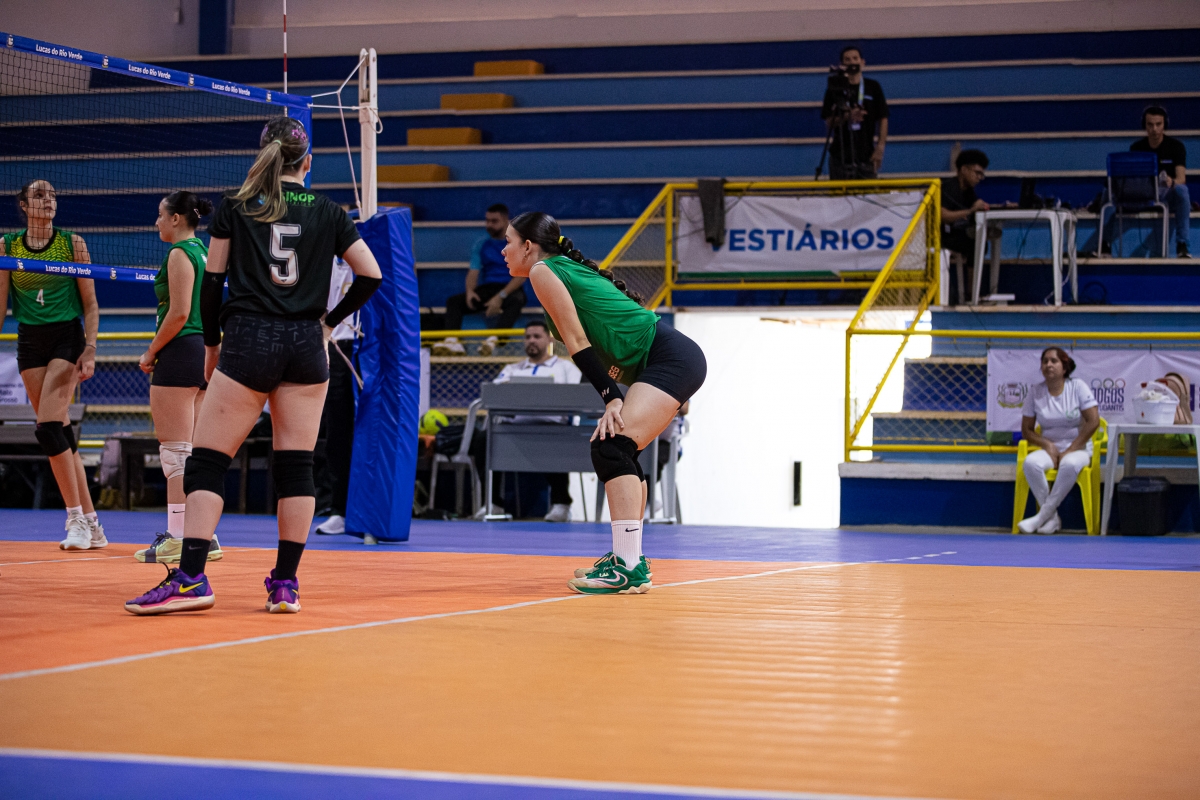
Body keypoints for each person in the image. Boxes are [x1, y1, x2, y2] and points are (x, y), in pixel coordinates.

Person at [124, 117, 382, 615]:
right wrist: (328, 325)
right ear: (308, 163)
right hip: (305, 345)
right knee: (296, 467)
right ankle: (285, 584)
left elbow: (212, 284)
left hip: (249, 340)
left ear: (263, 155)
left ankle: (191, 579)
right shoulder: (330, 211)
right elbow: (370, 275)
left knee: (207, 463)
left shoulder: (239, 205)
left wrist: (212, 346)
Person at [503, 212, 706, 594]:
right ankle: (629, 558)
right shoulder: (556, 270)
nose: (503, 250)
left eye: (508, 242)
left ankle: (627, 567)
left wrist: (612, 398)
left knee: (611, 447)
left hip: (670, 358)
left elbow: (577, 342)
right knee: (620, 450)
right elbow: (589, 343)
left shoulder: (543, 271)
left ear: (528, 246)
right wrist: (612, 394)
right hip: (670, 359)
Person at [0, 180, 105, 550]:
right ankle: (93, 524)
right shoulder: (7, 246)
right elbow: (0, 305)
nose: (48, 200)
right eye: (40, 195)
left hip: (66, 338)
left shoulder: (72, 243)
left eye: (53, 195)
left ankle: (74, 519)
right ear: (23, 205)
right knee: (60, 432)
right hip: (30, 341)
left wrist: (90, 348)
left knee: (46, 428)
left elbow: (90, 303)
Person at [133, 192, 225, 564]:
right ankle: (205, 536)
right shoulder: (205, 252)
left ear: (175, 218)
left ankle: (176, 538)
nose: (156, 221)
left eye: (160, 214)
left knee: (174, 454)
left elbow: (179, 313)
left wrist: (151, 351)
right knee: (193, 453)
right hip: (202, 352)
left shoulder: (179, 253)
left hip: (179, 351)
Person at [471, 320, 582, 522]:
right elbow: (495, 393)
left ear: (549, 340)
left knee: (559, 438)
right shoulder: (512, 369)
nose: (531, 341)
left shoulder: (566, 368)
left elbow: (576, 396)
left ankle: (561, 503)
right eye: (528, 337)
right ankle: (493, 503)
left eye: (537, 336)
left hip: (552, 427)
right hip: (513, 428)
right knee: (483, 440)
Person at [1017, 347, 1100, 534]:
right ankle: (1052, 518)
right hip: (1050, 449)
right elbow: (1026, 430)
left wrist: (1070, 450)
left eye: (1054, 361)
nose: (1048, 365)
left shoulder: (1077, 386)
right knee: (1030, 463)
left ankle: (1041, 517)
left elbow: (1093, 421)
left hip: (1078, 449)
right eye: (1045, 361)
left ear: (1064, 367)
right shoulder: (1035, 392)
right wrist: (1047, 445)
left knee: (1069, 464)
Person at [433, 203, 526, 357]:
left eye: (494, 221)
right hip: (488, 288)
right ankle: (452, 342)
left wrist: (500, 297)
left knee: (517, 301)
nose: (489, 225)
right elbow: (473, 272)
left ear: (506, 221)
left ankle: (493, 341)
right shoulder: (481, 244)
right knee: (454, 302)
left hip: (510, 289)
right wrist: (470, 291)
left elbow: (521, 276)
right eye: (487, 221)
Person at [1100, 105, 1190, 258]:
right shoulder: (1137, 147)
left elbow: (1181, 179)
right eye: (1150, 125)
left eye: (1158, 124)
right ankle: (1105, 245)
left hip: (1164, 192)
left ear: (1165, 125)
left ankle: (1182, 246)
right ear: (1144, 126)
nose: (1154, 129)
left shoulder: (1176, 146)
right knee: (1108, 191)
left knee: (1182, 190)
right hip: (1140, 192)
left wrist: (1171, 181)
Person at [315, 255, 359, 536]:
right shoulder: (323, 256)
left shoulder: (372, 255)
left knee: (367, 432)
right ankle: (338, 510)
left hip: (365, 344)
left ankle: (366, 508)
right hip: (334, 344)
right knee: (337, 433)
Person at [941, 149, 1005, 303]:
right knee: (975, 244)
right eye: (977, 173)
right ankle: (972, 294)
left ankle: (973, 293)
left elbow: (974, 210)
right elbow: (942, 216)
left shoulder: (969, 192)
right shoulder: (948, 188)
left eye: (981, 174)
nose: (979, 178)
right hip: (941, 236)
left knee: (979, 243)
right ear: (964, 169)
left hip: (958, 234)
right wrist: (970, 211)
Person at [820, 45, 889, 179]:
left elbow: (883, 118)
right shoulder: (834, 88)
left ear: (862, 62)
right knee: (839, 193)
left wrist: (880, 148)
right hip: (840, 156)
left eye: (855, 58)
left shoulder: (873, 87)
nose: (852, 62)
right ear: (842, 65)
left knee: (868, 192)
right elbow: (828, 122)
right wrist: (848, 116)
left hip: (866, 155)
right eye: (847, 59)